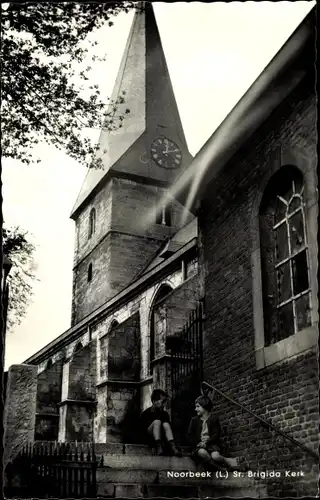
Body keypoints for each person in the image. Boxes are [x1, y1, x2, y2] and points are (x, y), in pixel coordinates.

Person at [187, 395, 248, 471]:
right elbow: (189, 436)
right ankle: (221, 468)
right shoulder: (194, 420)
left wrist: (206, 443)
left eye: (198, 406)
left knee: (216, 456)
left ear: (204, 407)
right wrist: (198, 443)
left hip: (211, 445)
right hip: (198, 447)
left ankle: (232, 463)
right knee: (202, 452)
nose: (195, 409)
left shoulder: (214, 419)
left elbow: (216, 435)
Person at [140, 389, 181, 456]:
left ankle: (173, 447)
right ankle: (159, 447)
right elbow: (142, 432)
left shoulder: (164, 414)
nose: (163, 403)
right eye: (162, 401)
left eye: (164, 401)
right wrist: (152, 444)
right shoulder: (146, 413)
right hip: (150, 437)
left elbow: (168, 429)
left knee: (166, 424)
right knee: (157, 422)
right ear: (154, 401)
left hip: (162, 437)